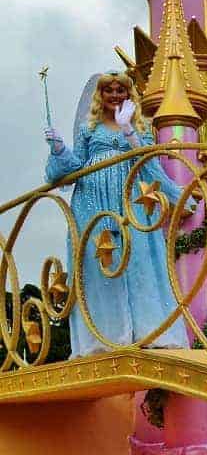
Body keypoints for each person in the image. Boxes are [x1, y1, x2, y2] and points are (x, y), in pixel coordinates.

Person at [43, 71, 193, 357]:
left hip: (131, 198)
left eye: (119, 90)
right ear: (101, 95)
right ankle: (104, 337)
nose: (114, 95)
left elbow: (147, 159)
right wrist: (60, 148)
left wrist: (127, 129)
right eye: (109, 90)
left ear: (128, 94)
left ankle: (150, 332)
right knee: (101, 262)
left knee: (139, 259)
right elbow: (76, 167)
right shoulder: (89, 127)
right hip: (92, 200)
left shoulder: (139, 125)